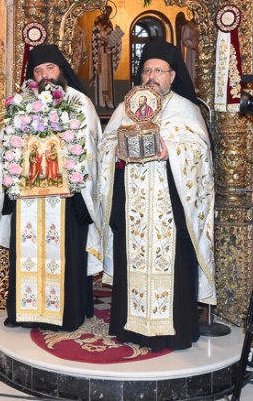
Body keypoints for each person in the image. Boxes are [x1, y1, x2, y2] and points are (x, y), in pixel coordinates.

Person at [99, 40, 215, 351]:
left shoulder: (185, 109)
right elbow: (105, 146)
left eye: (159, 71)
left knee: (175, 265)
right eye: (147, 70)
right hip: (132, 209)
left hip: (171, 209)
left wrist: (170, 151)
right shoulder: (125, 108)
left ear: (172, 76)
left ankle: (173, 332)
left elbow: (200, 153)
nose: (152, 76)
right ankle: (131, 329)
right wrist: (116, 153)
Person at [0, 44, 103, 331]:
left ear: (61, 70)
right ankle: (23, 313)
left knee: (66, 256)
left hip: (67, 200)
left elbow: (90, 150)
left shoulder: (79, 102)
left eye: (50, 68)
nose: (45, 75)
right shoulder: (21, 104)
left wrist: (74, 182)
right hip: (28, 200)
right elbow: (3, 149)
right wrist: (13, 179)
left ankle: (67, 314)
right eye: (38, 71)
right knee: (26, 254)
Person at [91, 5, 122, 109]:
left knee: (108, 78)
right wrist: (103, 36)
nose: (108, 13)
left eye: (110, 12)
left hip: (108, 54)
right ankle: (100, 101)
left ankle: (109, 101)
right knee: (100, 76)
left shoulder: (109, 23)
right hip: (100, 53)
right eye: (107, 11)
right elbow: (95, 34)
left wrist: (116, 33)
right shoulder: (98, 20)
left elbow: (111, 37)